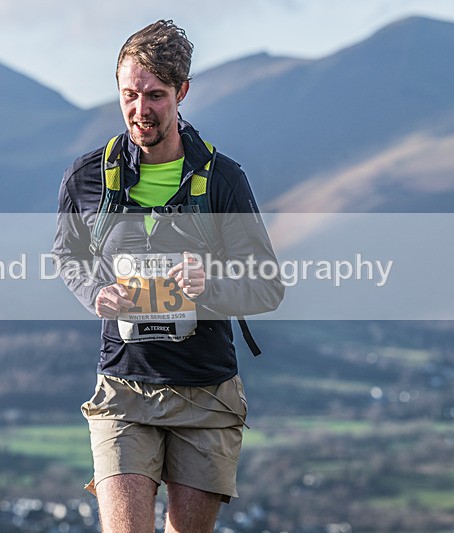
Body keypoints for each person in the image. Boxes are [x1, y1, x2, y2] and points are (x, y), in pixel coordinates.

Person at [52, 20, 284, 533]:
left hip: (205, 394)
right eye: (129, 94)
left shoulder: (223, 181)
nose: (140, 110)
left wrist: (212, 284)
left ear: (182, 92)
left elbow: (268, 285)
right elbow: (67, 255)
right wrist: (96, 291)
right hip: (122, 388)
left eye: (155, 95)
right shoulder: (88, 176)